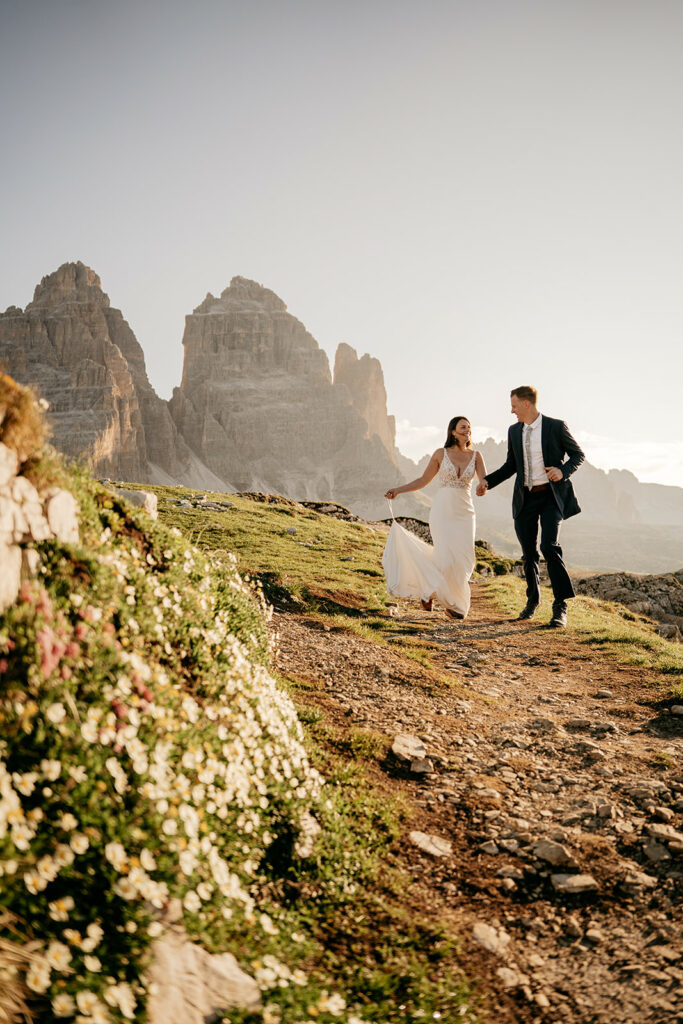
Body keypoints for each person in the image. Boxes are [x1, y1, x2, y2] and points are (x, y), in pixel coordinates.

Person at [476, 386, 584, 628]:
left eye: (514, 405)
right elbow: (510, 465)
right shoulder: (514, 431)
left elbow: (578, 455)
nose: (511, 410)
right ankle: (533, 601)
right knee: (528, 552)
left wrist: (562, 471)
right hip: (525, 498)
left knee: (549, 546)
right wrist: (487, 482)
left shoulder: (556, 426)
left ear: (526, 404)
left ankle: (560, 607)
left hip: (551, 497)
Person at [384, 416, 487, 619]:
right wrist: (398, 490)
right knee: (445, 555)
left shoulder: (476, 455)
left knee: (464, 557)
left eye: (469, 427)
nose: (468, 430)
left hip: (465, 511)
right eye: (463, 427)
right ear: (453, 432)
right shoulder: (441, 454)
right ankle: (452, 604)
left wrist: (483, 487)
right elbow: (423, 480)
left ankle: (433, 593)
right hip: (442, 510)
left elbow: (484, 480)